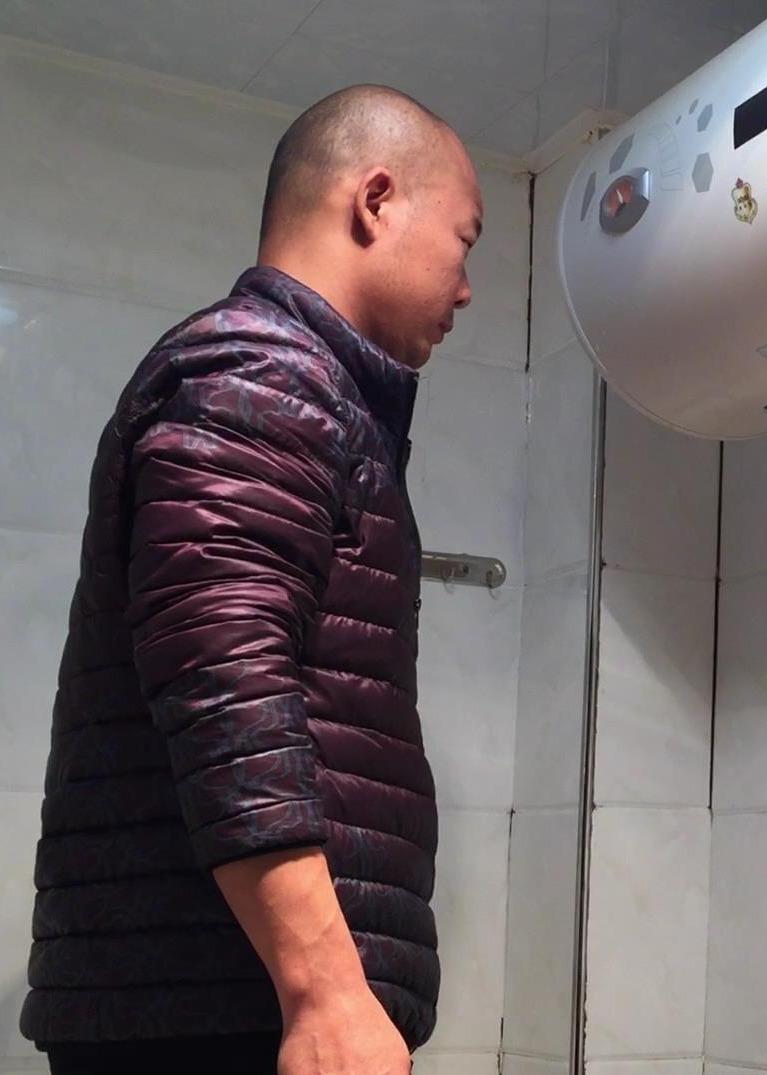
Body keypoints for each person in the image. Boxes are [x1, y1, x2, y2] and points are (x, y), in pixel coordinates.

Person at [19, 83, 483, 1075]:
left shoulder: (292, 387)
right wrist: (324, 989)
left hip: (214, 998)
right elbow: (224, 686)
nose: (466, 287)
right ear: (376, 201)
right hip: (222, 1011)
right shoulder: (266, 377)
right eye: (465, 240)